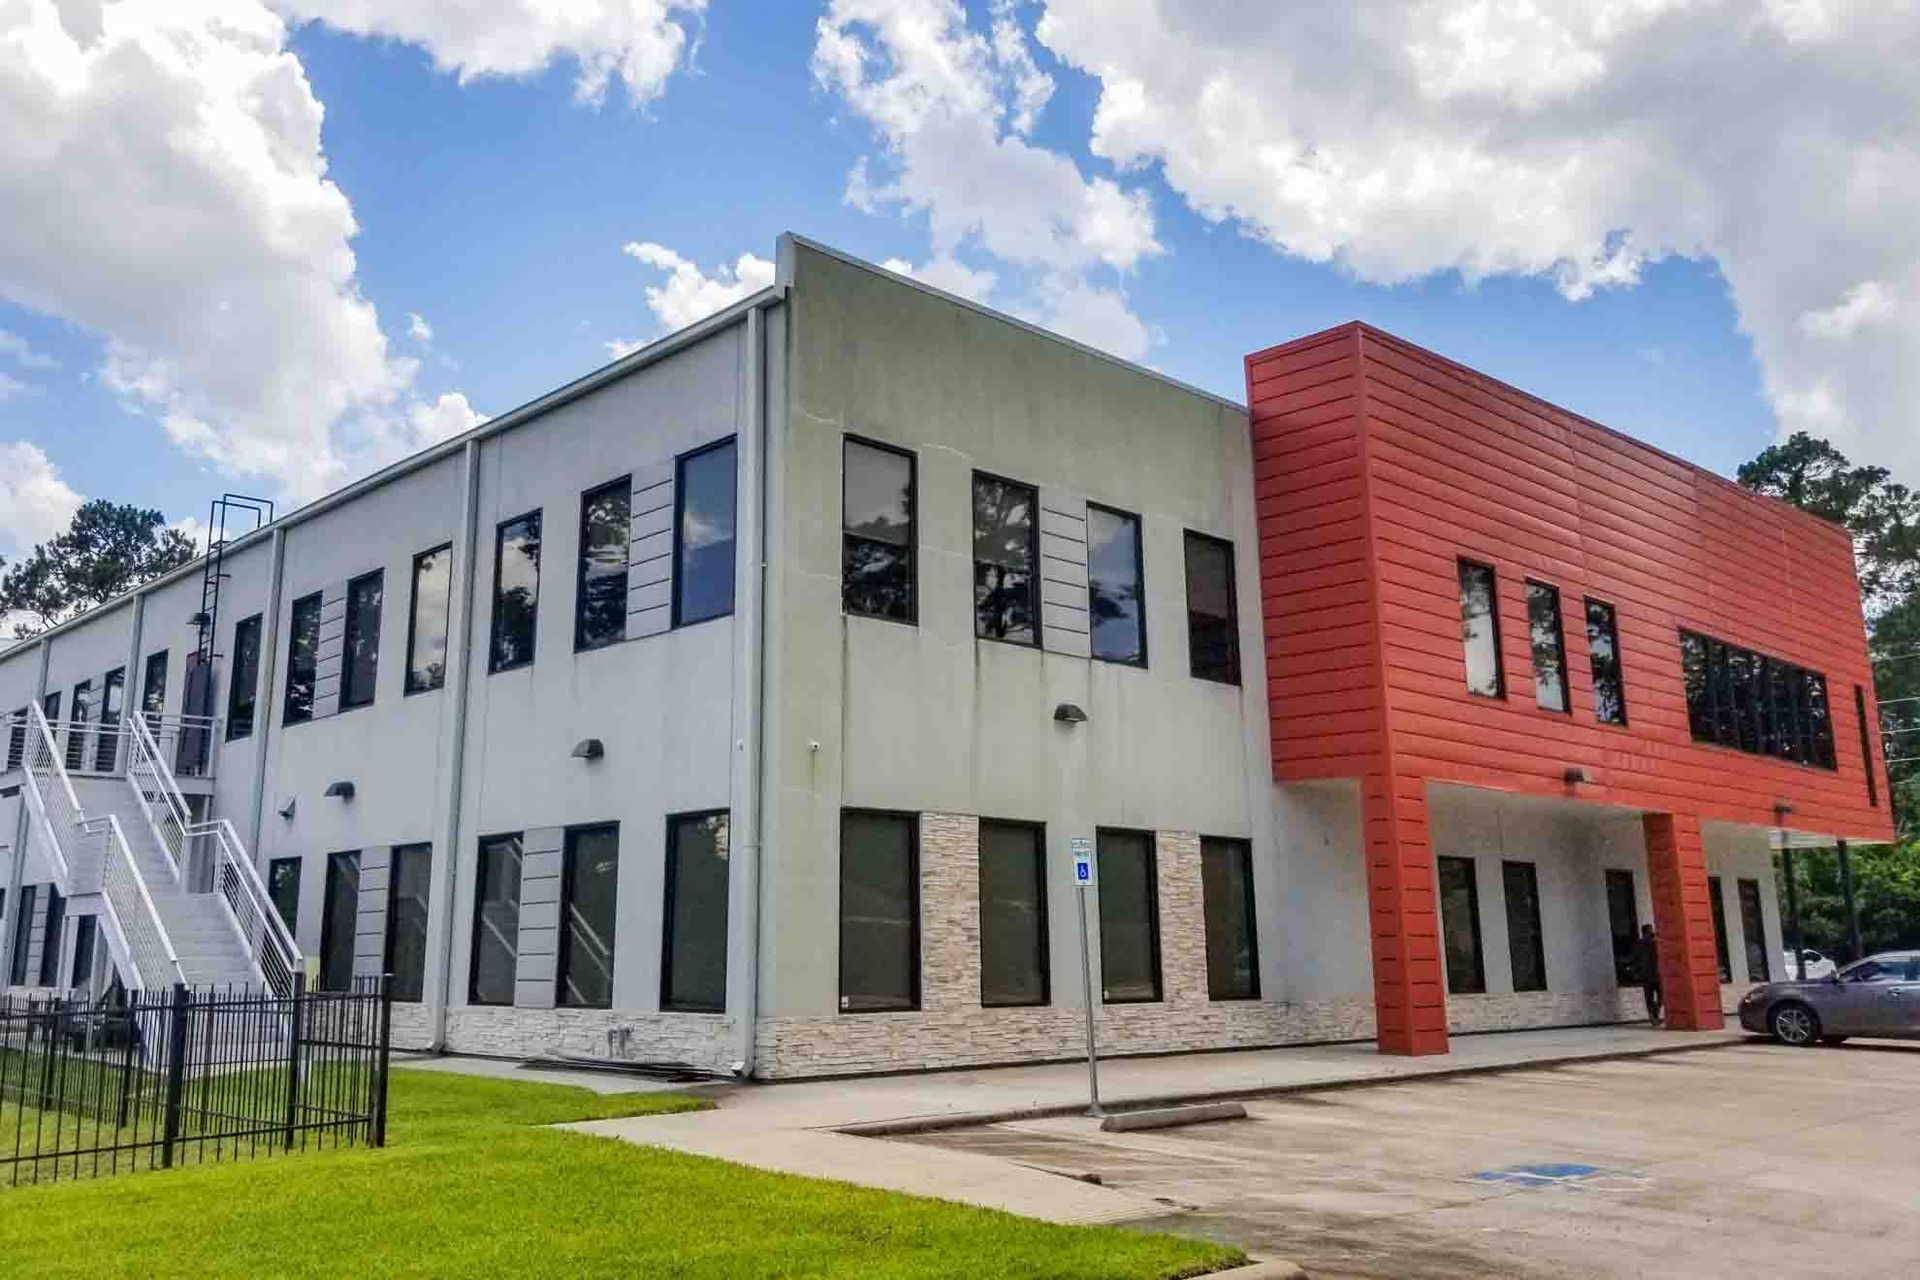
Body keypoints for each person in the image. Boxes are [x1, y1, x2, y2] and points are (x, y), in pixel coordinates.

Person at [1634, 924, 1662, 1026]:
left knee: (1652, 997)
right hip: (1652, 974)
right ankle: (1654, 1015)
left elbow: (1635, 959)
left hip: (1648, 974)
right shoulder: (1651, 943)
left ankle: (1654, 1014)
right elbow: (1637, 959)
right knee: (1657, 995)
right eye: (1650, 931)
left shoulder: (1641, 944)